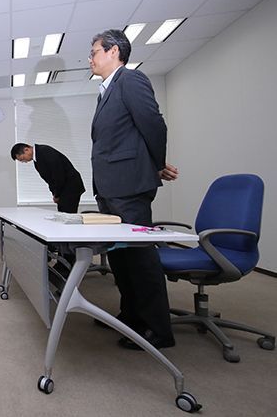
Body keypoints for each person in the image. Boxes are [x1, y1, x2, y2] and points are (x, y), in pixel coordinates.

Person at [88, 28, 179, 350]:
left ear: (113, 51)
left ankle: (157, 329)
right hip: (111, 187)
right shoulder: (106, 91)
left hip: (128, 185)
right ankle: (130, 316)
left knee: (139, 258)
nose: (90, 59)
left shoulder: (130, 79)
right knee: (120, 257)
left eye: (94, 52)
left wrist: (157, 163)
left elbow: (153, 124)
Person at [10, 143, 86, 213]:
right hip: (63, 187)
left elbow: (58, 173)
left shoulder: (44, 151)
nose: (25, 162)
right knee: (63, 213)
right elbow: (49, 180)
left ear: (26, 149)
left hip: (70, 185)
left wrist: (57, 195)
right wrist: (55, 194)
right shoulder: (36, 160)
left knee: (67, 214)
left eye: (23, 159)